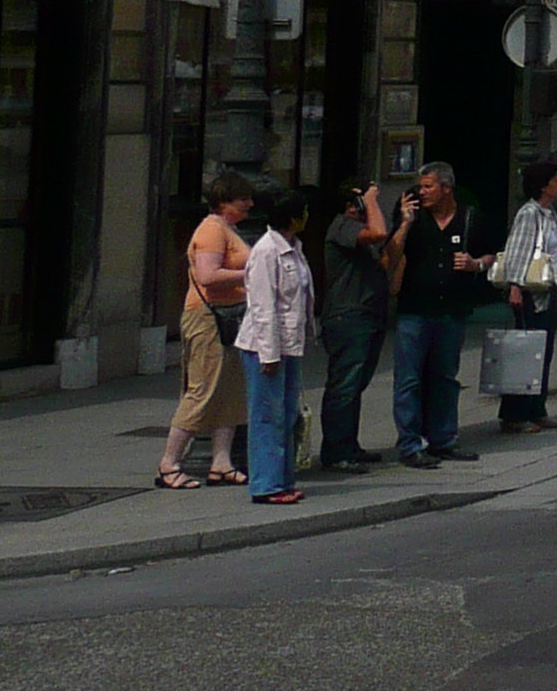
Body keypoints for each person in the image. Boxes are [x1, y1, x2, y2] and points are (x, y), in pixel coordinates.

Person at [385, 161, 489, 468]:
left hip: (452, 310)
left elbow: (491, 253)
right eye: (420, 186)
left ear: (446, 188)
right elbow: (390, 256)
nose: (422, 192)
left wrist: (475, 264)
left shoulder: (470, 217)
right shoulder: (414, 217)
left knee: (445, 378)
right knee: (408, 379)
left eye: (429, 186)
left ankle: (444, 439)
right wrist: (404, 223)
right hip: (414, 310)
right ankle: (409, 444)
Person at [158, 172, 256, 489]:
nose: (249, 205)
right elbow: (207, 275)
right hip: (208, 318)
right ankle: (169, 463)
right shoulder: (212, 230)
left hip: (229, 316)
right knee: (202, 389)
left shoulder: (229, 228)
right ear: (224, 201)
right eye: (243, 200)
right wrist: (249, 272)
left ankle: (222, 462)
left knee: (229, 390)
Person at [236, 186, 316, 505]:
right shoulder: (266, 251)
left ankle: (283, 478)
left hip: (290, 344)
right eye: (305, 212)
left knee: (287, 415)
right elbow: (263, 306)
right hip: (264, 346)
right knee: (267, 416)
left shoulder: (294, 248)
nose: (309, 217)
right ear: (294, 218)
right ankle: (266, 484)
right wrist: (268, 354)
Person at [316, 177, 392, 473]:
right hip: (348, 317)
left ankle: (348, 444)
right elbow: (378, 232)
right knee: (344, 386)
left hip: (367, 315)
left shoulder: (355, 231)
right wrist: (371, 200)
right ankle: (336, 451)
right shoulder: (342, 226)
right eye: (360, 203)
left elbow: (385, 247)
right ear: (351, 205)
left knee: (356, 384)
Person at [491, 161, 557, 434]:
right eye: (556, 179)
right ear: (543, 186)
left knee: (543, 352)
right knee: (524, 352)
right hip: (529, 292)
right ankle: (514, 413)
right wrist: (515, 286)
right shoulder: (529, 214)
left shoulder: (550, 213)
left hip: (547, 289)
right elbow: (517, 251)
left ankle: (537, 408)